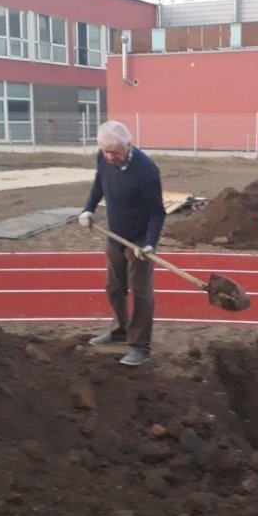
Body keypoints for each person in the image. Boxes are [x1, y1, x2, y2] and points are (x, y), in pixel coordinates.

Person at [78, 120, 166, 366]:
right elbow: (99, 184)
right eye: (105, 151)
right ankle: (119, 330)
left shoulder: (146, 171)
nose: (109, 156)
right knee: (114, 288)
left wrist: (149, 243)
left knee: (140, 293)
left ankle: (140, 346)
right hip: (114, 235)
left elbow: (158, 213)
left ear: (128, 145)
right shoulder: (103, 158)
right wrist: (88, 209)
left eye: (115, 152)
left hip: (138, 242)